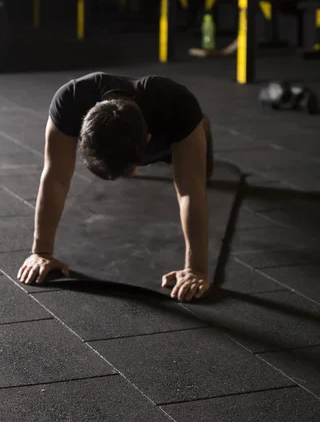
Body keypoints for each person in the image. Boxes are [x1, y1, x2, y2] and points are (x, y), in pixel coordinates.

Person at [17, 72, 213, 302]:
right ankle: (123, 159)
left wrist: (196, 269)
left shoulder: (177, 106)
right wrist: (40, 252)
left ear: (147, 141)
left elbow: (190, 191)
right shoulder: (70, 100)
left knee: (203, 173)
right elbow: (55, 178)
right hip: (133, 131)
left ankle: (199, 130)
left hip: (169, 135)